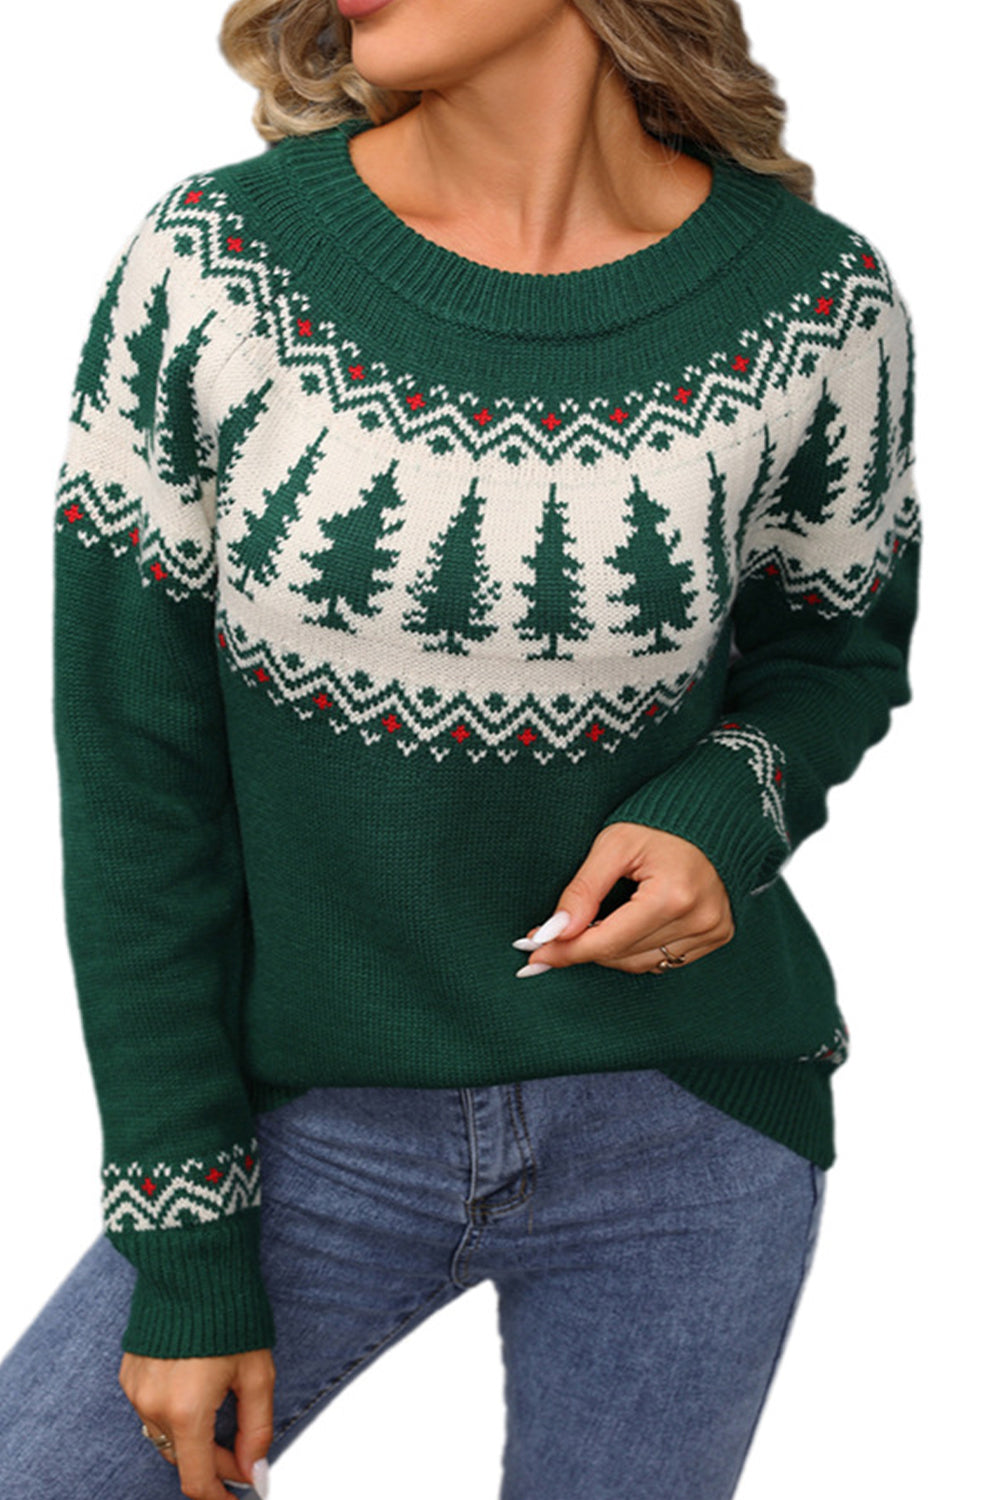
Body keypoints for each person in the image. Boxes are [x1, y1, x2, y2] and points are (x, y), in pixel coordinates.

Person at [0, 0, 921, 1495]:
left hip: (689, 1122)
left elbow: (833, 652)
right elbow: (134, 780)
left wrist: (724, 809)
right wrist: (187, 1245)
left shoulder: (816, 304)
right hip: (308, 1129)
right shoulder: (217, 270)